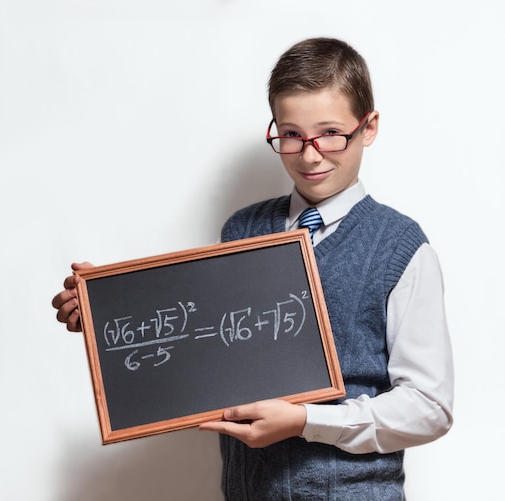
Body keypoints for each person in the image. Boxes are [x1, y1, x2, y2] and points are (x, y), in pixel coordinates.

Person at [51, 37, 454, 500]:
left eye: (330, 133)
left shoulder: (400, 247)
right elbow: (205, 346)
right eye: (290, 135)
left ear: (369, 127)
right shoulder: (242, 229)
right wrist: (112, 310)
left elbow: (429, 407)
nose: (309, 154)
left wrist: (306, 421)